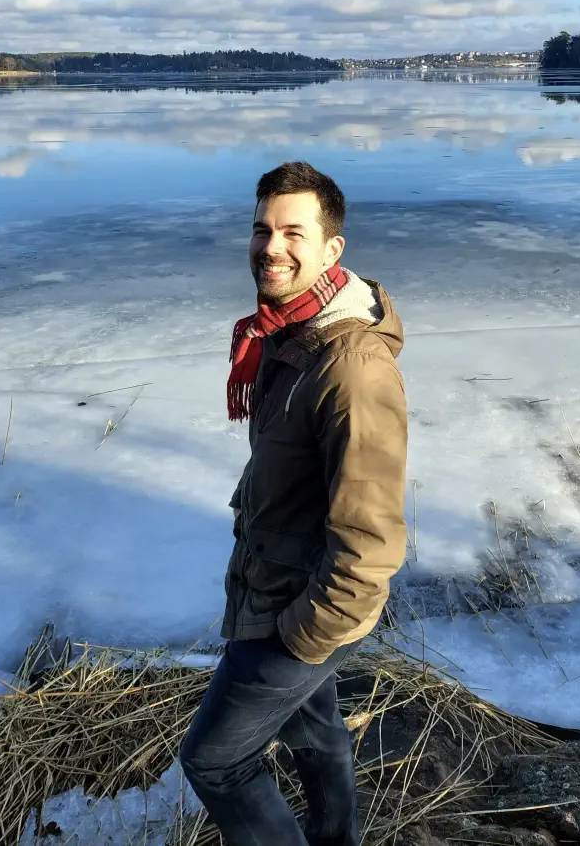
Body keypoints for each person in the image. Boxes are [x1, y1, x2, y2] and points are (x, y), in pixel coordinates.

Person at [180, 161, 408, 846]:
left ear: (332, 249)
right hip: (276, 587)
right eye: (261, 229)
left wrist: (303, 635)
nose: (270, 247)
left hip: (297, 614)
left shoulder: (351, 369)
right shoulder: (286, 337)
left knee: (215, 760)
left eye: (292, 232)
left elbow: (370, 545)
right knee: (315, 732)